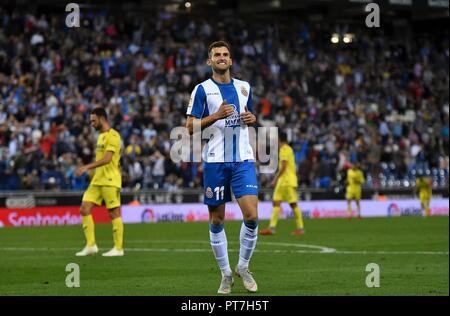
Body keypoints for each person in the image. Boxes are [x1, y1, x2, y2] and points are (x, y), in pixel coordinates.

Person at [186, 41, 258, 294]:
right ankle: (226, 273)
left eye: (225, 54)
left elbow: (248, 115)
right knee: (217, 219)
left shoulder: (244, 87)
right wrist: (215, 116)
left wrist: (253, 118)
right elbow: (190, 127)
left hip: (242, 160)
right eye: (216, 54)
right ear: (209, 61)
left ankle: (244, 267)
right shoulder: (202, 90)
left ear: (231, 59)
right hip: (215, 161)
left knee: (251, 215)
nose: (221, 57)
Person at [74, 107, 124, 257]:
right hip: (97, 180)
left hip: (110, 180)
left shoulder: (113, 135)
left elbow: (108, 159)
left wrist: (86, 167)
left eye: (94, 121)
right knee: (84, 208)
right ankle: (91, 245)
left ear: (102, 119)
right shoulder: (101, 136)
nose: (92, 124)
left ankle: (118, 248)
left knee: (113, 213)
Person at [259, 131, 305, 236]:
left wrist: (275, 179)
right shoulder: (288, 149)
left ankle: (300, 228)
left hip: (286, 181)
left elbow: (284, 166)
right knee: (277, 202)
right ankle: (272, 227)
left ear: (279, 139)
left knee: (292, 204)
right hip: (286, 180)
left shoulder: (284, 149)